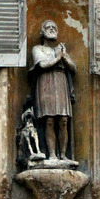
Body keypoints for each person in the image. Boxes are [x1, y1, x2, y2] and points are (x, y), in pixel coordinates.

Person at [30, 20, 76, 162]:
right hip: (46, 84)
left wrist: (63, 57)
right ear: (42, 32)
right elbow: (42, 65)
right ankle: (52, 155)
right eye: (48, 27)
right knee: (49, 120)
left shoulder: (60, 50)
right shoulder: (38, 49)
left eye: (54, 27)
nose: (51, 29)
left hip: (61, 83)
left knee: (63, 120)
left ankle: (63, 155)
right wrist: (58, 58)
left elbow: (74, 68)